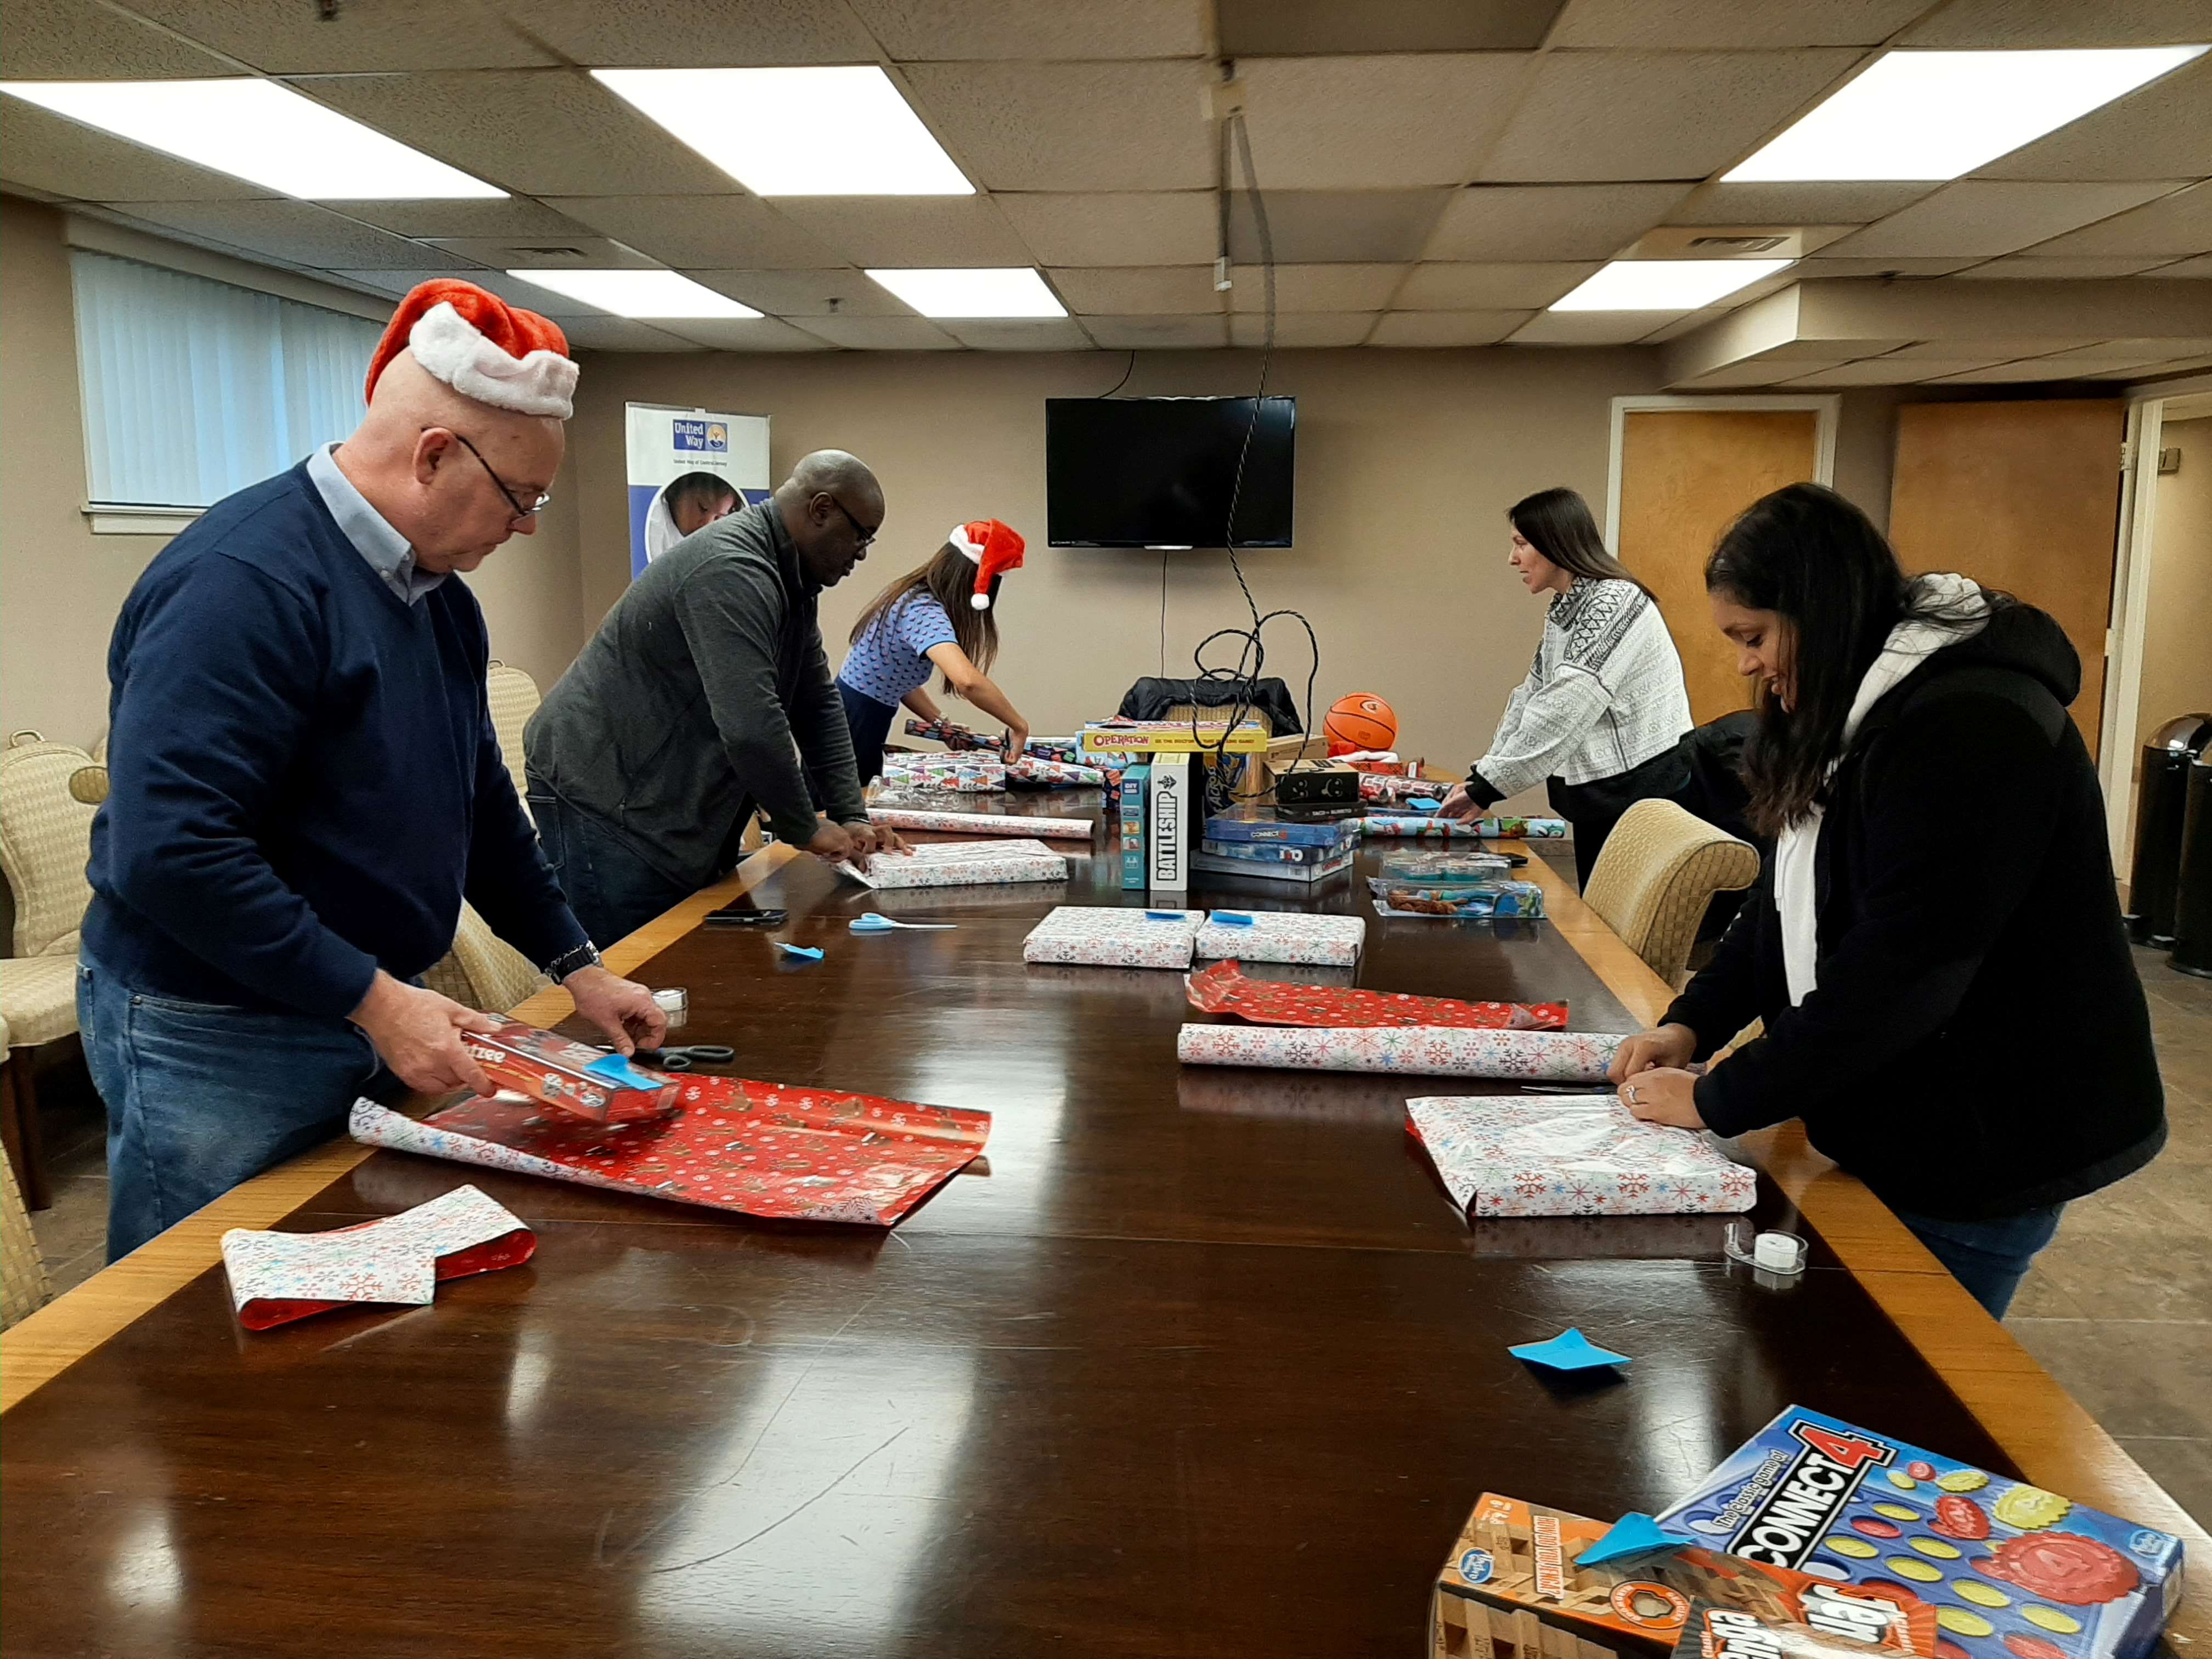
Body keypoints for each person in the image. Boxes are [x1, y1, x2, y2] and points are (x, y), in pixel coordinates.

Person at [80, 278, 667, 1261]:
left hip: (348, 999)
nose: (525, 527)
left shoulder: (437, 596)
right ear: (435, 454)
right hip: (215, 1022)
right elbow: (170, 851)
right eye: (520, 499)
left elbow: (478, 802)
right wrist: (376, 997)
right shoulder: (244, 582)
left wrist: (577, 963)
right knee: (199, 1298)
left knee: (327, 1265)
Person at [1609, 482, 2164, 1318]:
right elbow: (1786, 907)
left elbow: (1901, 973)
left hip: (1990, 1133)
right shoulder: (1849, 713)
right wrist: (1692, 1023)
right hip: (1904, 1109)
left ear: (1820, 614)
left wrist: (1719, 1098)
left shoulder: (1972, 726)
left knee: (1915, 1399)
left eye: (1755, 637)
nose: (1745, 663)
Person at [524, 450, 907, 946]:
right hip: (604, 799)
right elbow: (752, 726)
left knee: (696, 968)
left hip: (660, 802)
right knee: (636, 979)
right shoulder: (731, 569)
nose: (861, 554)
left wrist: (851, 814)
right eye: (861, 536)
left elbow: (815, 703)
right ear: (820, 510)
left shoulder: (792, 580)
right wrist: (803, 827)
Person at [1438, 487, 1693, 885]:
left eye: (1521, 543)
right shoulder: (1567, 607)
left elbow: (1566, 706)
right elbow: (1531, 697)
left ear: (1555, 541)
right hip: (1605, 795)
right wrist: (1482, 777)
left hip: (1639, 791)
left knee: (1615, 930)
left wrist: (1488, 787)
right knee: (1600, 914)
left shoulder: (1613, 601)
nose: (1513, 558)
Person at [836, 518, 1032, 786]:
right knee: (834, 816)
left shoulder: (911, 596)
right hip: (854, 722)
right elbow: (969, 682)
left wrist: (940, 724)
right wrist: (1019, 726)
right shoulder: (923, 611)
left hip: (858, 715)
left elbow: (896, 681)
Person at [644, 470, 740, 563]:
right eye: (703, 508)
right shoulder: (655, 525)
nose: (707, 524)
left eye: (718, 518)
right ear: (678, 490)